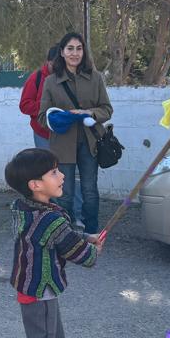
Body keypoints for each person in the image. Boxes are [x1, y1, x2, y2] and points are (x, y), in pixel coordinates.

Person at [4, 147, 103, 338]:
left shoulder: (28, 208)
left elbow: (62, 236)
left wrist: (86, 237)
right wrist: (92, 248)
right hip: (39, 291)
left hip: (35, 288)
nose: (61, 176)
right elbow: (81, 255)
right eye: (54, 173)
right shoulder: (49, 219)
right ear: (35, 185)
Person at [38, 32, 112, 235]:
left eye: (79, 48)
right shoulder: (51, 82)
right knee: (65, 193)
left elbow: (107, 109)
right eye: (70, 49)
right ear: (62, 52)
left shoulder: (95, 78)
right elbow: (42, 117)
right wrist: (61, 118)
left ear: (84, 52)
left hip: (90, 143)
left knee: (89, 191)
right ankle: (65, 233)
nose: (75, 53)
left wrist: (89, 113)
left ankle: (91, 232)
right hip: (62, 145)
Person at [19, 46, 59, 149]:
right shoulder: (35, 78)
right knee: (47, 164)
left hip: (66, 134)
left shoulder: (68, 77)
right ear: (48, 62)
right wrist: (46, 106)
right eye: (53, 64)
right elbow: (24, 105)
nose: (57, 67)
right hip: (43, 134)